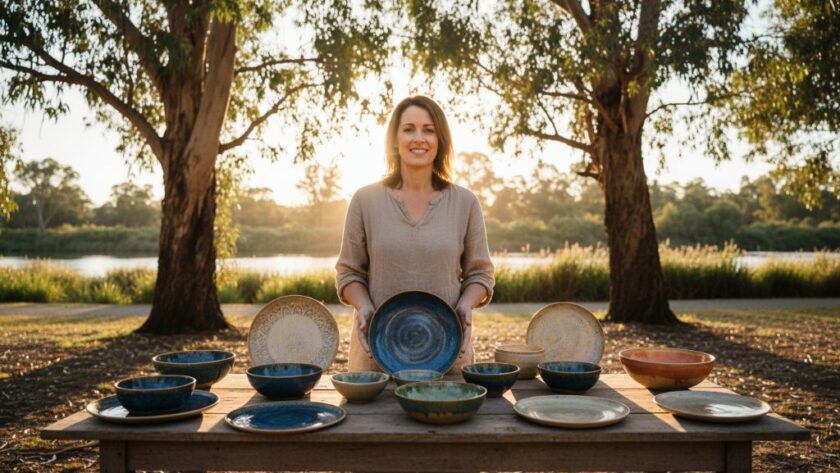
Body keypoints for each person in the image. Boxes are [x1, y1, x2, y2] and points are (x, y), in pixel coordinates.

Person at [335, 95, 495, 373]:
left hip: (449, 356)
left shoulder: (465, 202)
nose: (418, 138)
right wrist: (363, 307)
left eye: (429, 130)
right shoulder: (365, 200)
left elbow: (481, 275)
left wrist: (467, 305)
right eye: (408, 129)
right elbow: (348, 273)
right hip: (375, 359)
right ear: (394, 140)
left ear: (440, 139)